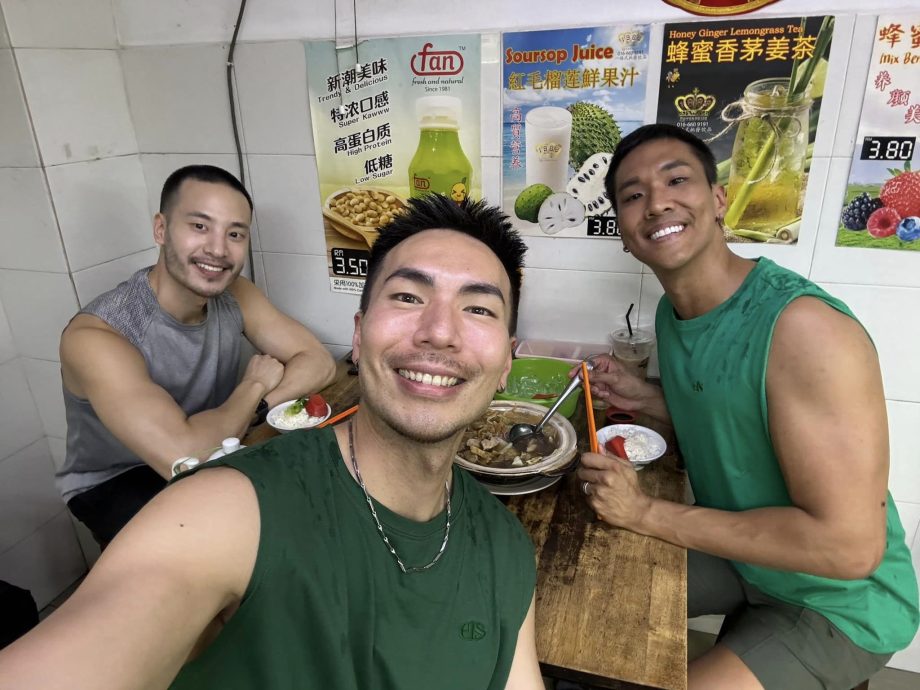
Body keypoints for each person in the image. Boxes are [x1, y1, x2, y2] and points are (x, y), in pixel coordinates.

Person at [0, 193, 543, 690]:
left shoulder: (505, 547)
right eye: (407, 296)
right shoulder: (229, 511)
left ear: (507, 362)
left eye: (478, 308)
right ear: (358, 335)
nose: (439, 331)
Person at [576, 124, 919, 690]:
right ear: (624, 233)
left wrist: (644, 513)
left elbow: (849, 548)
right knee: (585, 583)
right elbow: (736, 426)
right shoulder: (672, 314)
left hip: (839, 601)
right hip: (744, 556)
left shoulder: (803, 328)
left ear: (718, 200)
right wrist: (649, 401)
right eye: (633, 195)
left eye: (676, 180)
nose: (656, 202)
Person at [56, 164, 336, 547]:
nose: (218, 250)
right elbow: (183, 458)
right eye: (200, 226)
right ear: (161, 229)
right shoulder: (98, 336)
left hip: (218, 439)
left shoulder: (236, 294)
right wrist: (253, 386)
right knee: (234, 548)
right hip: (119, 479)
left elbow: (318, 361)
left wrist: (254, 406)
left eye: (234, 233)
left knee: (310, 507)